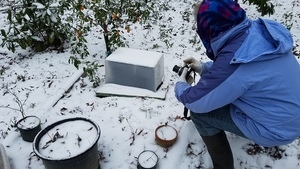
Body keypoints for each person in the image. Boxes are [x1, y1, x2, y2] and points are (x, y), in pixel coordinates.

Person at [174, 0, 300, 169]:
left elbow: (195, 102)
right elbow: (235, 73)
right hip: (290, 113)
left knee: (200, 115)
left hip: (276, 130)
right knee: (230, 91)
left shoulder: (234, 64)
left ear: (208, 27)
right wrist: (204, 68)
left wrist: (181, 86)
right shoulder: (257, 31)